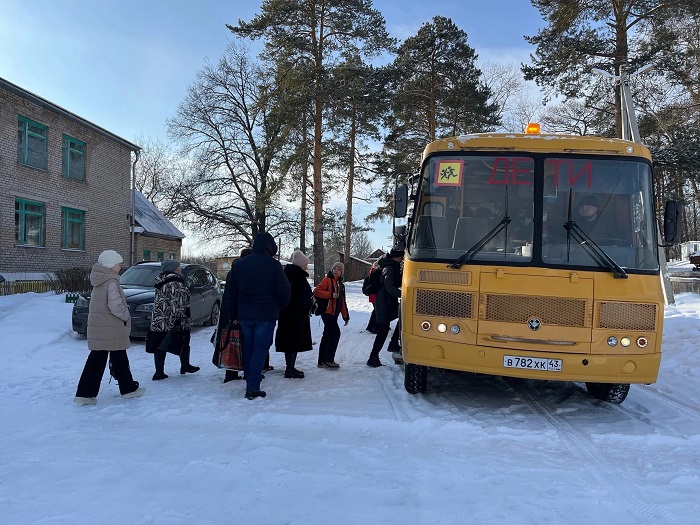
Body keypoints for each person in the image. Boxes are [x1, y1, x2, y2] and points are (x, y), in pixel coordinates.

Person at [74, 250, 144, 404]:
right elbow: (115, 305)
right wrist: (126, 315)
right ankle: (87, 394)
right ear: (111, 265)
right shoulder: (111, 281)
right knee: (108, 360)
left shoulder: (100, 280)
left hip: (102, 327)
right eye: (118, 264)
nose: (120, 267)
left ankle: (125, 388)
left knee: (109, 359)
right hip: (111, 328)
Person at [227, 232, 291, 399]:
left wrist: (232, 314)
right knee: (260, 348)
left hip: (244, 314)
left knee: (248, 347)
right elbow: (284, 290)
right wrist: (282, 305)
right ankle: (253, 387)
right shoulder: (274, 265)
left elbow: (231, 293)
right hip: (266, 314)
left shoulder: (240, 265)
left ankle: (250, 377)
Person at [146, 259, 199, 380]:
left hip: (159, 318)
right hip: (173, 318)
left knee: (160, 343)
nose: (180, 269)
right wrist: (178, 319)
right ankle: (185, 365)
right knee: (184, 340)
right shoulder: (175, 282)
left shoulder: (161, 279)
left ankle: (159, 371)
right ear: (174, 269)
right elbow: (177, 302)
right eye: (178, 267)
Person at [214, 247, 251, 383]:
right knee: (236, 342)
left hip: (228, 312)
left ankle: (231, 371)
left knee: (231, 341)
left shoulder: (233, 271)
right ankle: (233, 371)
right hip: (235, 313)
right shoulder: (240, 272)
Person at [274, 250, 313, 379]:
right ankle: (289, 369)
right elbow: (299, 296)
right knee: (293, 342)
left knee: (290, 342)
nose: (307, 267)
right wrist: (307, 302)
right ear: (301, 265)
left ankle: (290, 367)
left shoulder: (289, 274)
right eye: (305, 264)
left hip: (288, 314)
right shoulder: (296, 276)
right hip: (295, 315)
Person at [366, 248, 404, 368]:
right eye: (401, 257)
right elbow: (389, 287)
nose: (402, 259)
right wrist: (403, 294)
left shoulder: (390, 266)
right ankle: (373, 357)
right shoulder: (389, 268)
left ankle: (392, 344)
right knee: (383, 329)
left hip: (386, 301)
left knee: (401, 318)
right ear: (396, 257)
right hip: (384, 302)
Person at [313, 261, 350, 369]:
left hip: (334, 314)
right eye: (335, 268)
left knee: (327, 335)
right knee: (335, 334)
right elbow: (317, 291)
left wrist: (345, 316)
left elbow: (342, 302)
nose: (336, 270)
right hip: (327, 312)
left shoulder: (341, 284)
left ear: (341, 272)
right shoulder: (327, 280)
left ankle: (321, 361)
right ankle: (329, 360)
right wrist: (330, 294)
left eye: (338, 269)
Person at [365, 261, 379, 334]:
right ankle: (372, 327)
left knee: (375, 311)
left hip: (372, 295)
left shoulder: (371, 271)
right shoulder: (375, 272)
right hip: (375, 295)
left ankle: (371, 326)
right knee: (376, 311)